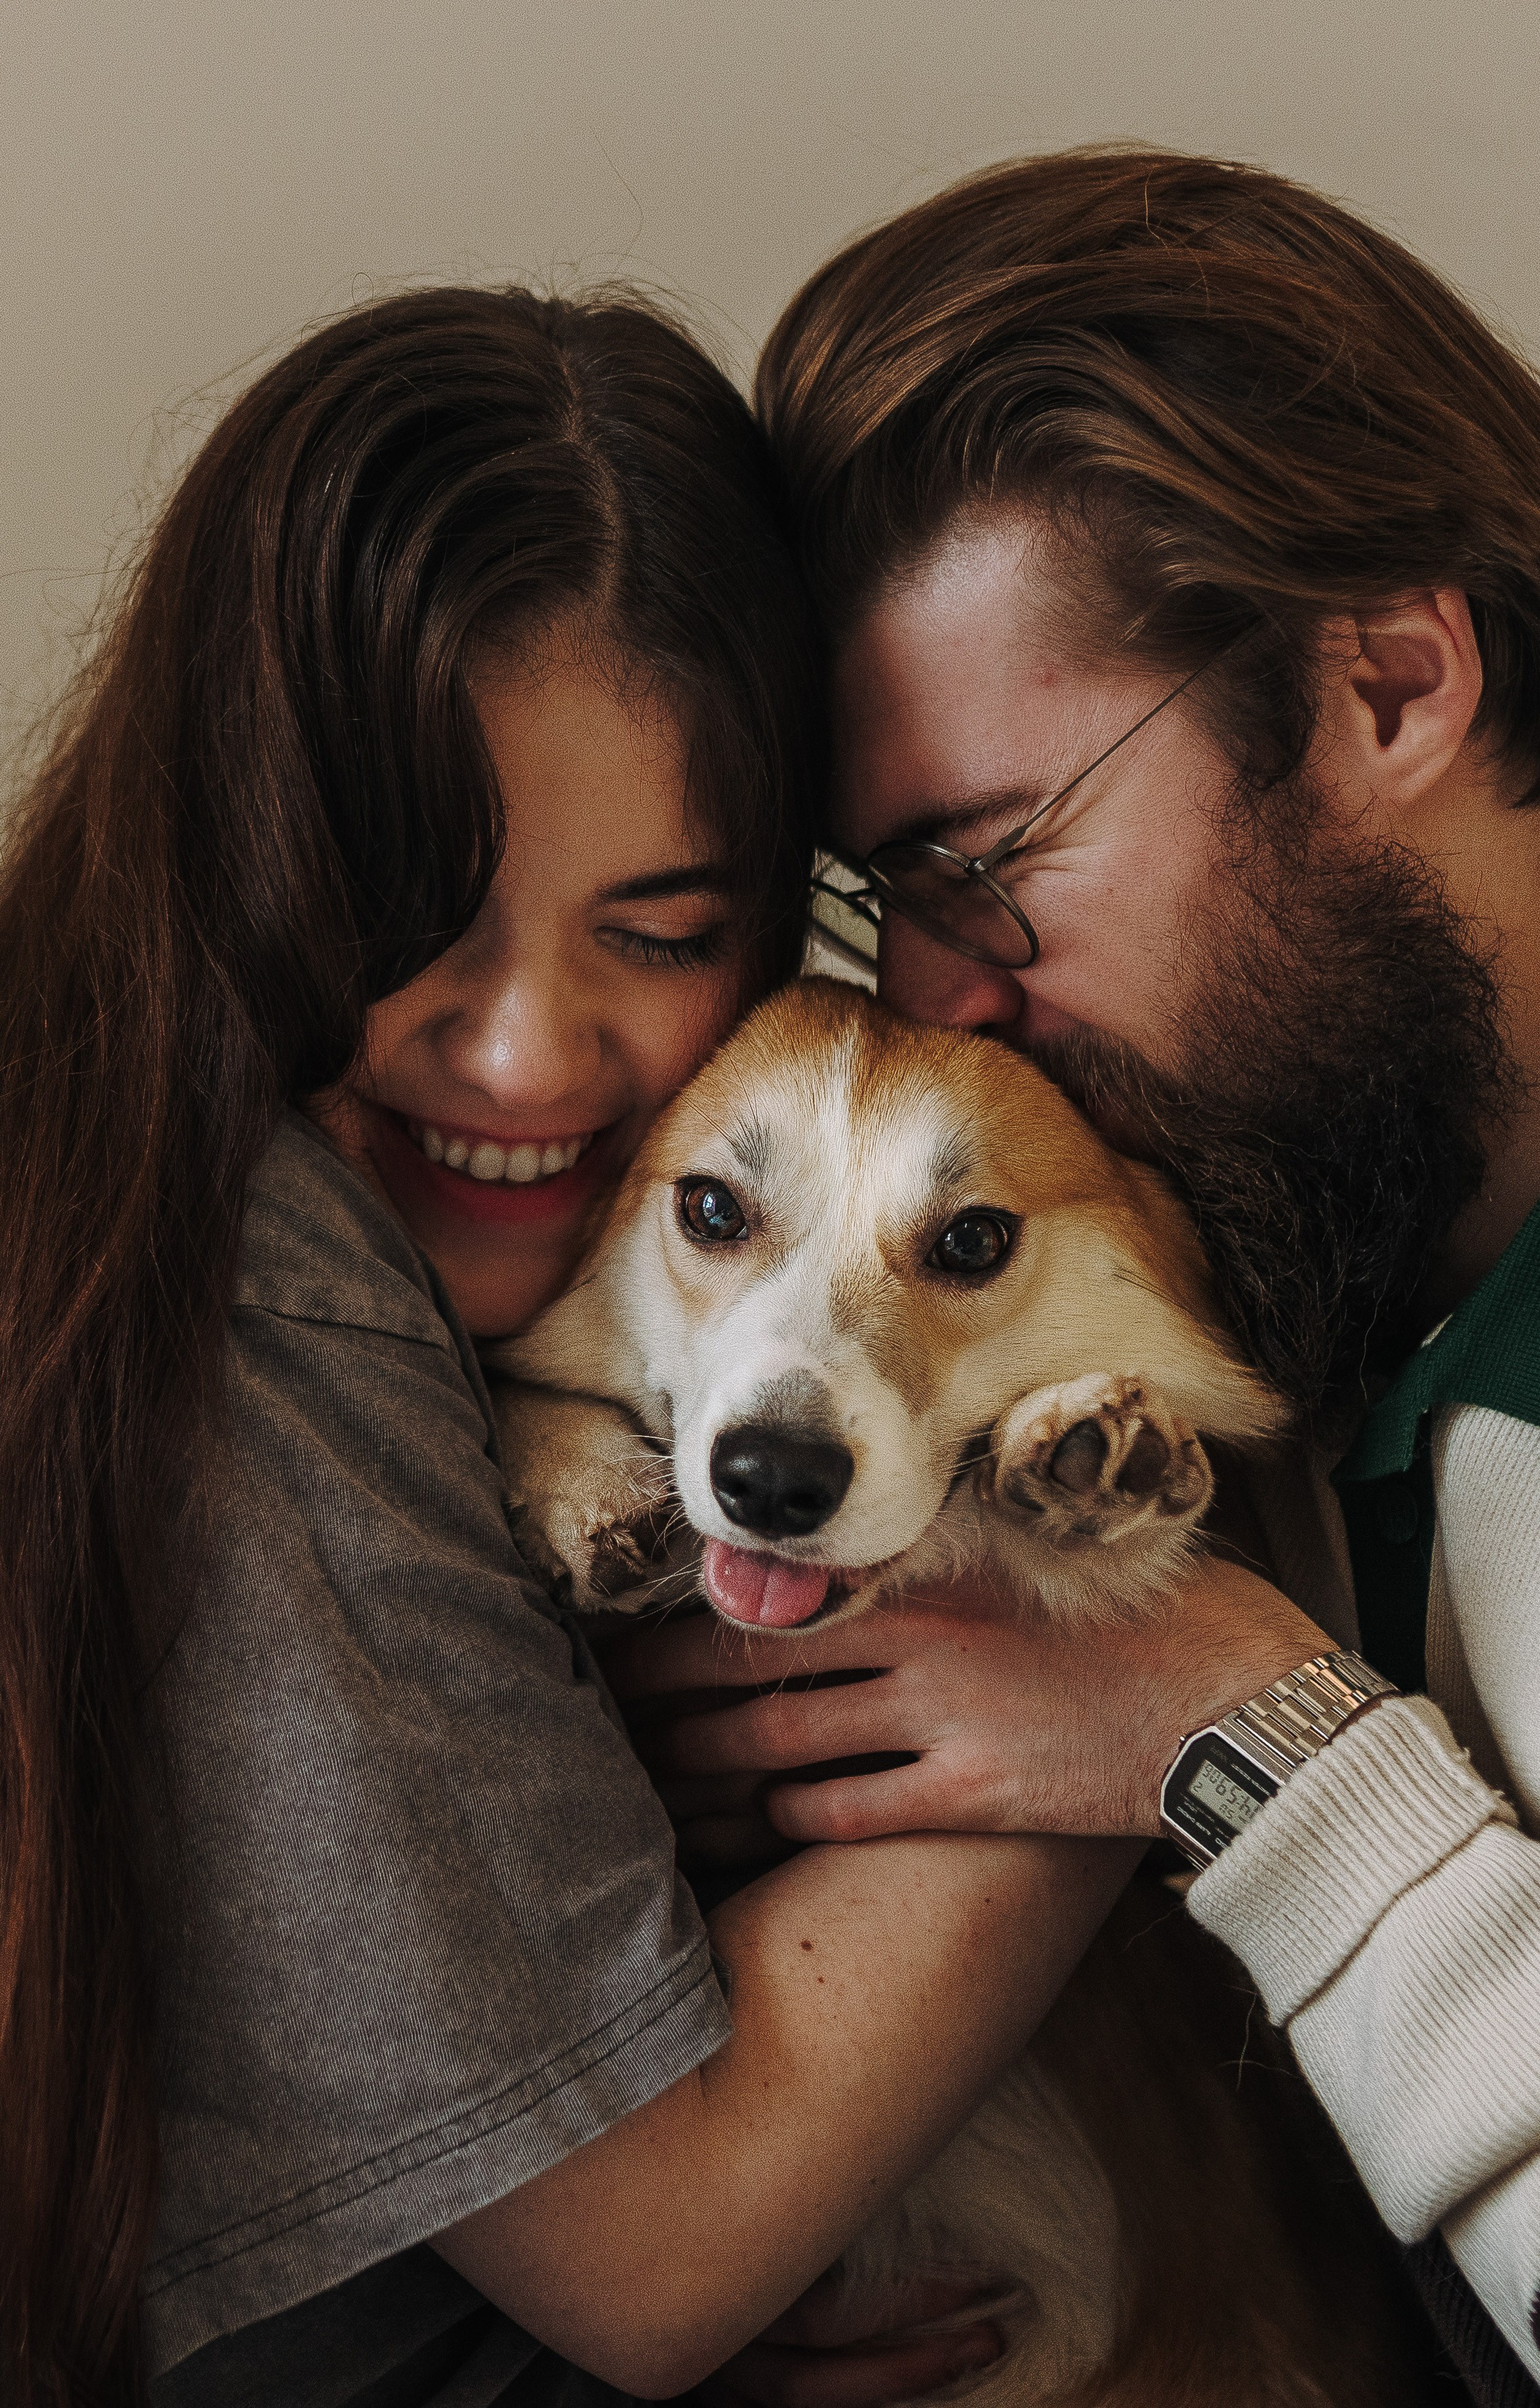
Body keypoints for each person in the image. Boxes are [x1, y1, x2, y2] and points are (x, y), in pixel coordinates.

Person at [0, 285, 1132, 2408]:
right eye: (410, 903)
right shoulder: (251, 1269)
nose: (525, 1051)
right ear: (232, 852)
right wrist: (1158, 1698)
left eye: (659, 932)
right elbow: (661, 2243)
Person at [626, 151, 1540, 2408]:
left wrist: (1243, 1740)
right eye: (897, 907)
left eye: (991, 865)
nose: (950, 1008)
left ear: (1383, 681)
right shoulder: (1282, 1257)